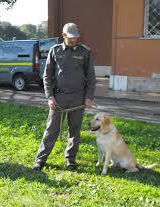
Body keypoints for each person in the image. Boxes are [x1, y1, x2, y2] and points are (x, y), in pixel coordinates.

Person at [33, 22, 96, 171]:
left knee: (75, 130)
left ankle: (70, 159)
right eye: (71, 37)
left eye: (76, 37)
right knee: (51, 130)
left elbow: (91, 77)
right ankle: (40, 160)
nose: (74, 40)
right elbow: (47, 76)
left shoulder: (85, 52)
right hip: (58, 98)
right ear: (64, 35)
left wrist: (89, 97)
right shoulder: (54, 51)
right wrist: (50, 97)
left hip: (78, 98)